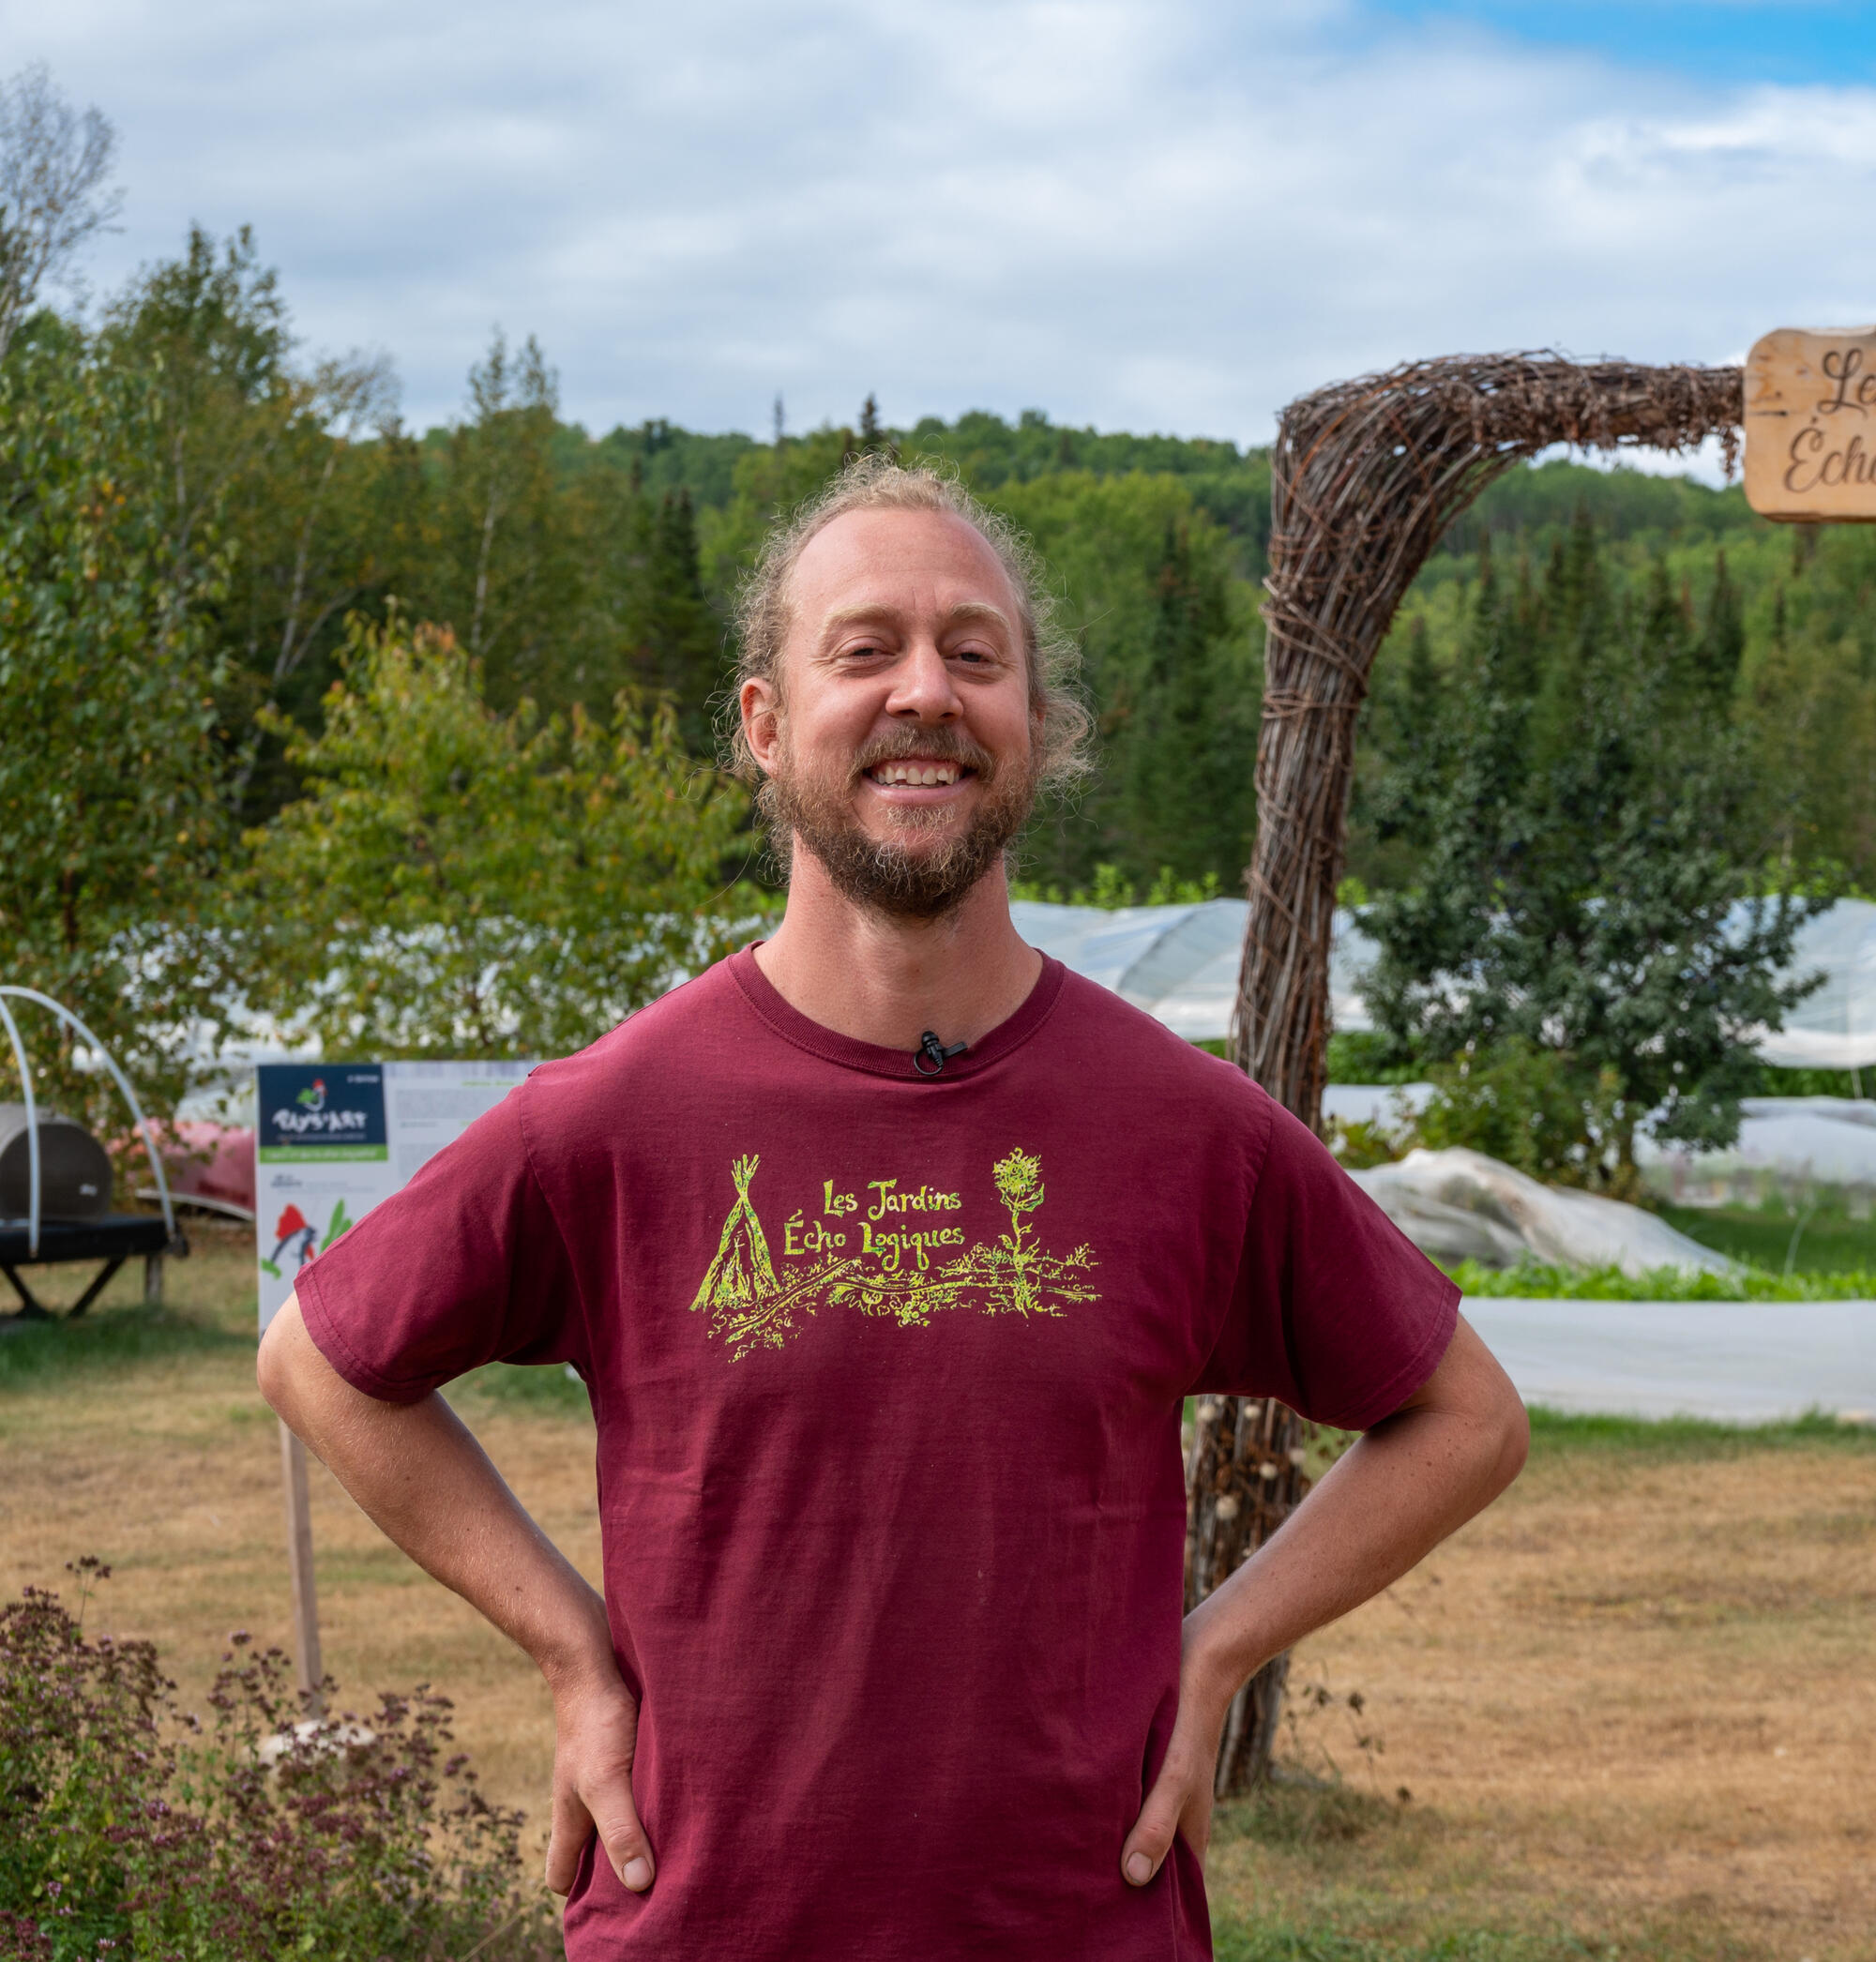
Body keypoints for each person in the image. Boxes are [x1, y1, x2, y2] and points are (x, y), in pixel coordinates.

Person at [258, 458, 1529, 1960]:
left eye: (975, 654)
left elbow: (1467, 1417)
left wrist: (1220, 1651)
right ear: (764, 724)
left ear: (1036, 733)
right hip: (698, 1928)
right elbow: (320, 1359)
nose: (925, 692)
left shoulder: (1189, 1130)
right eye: (864, 650)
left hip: (1077, 1930)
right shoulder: (613, 1118)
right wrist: (573, 1658)